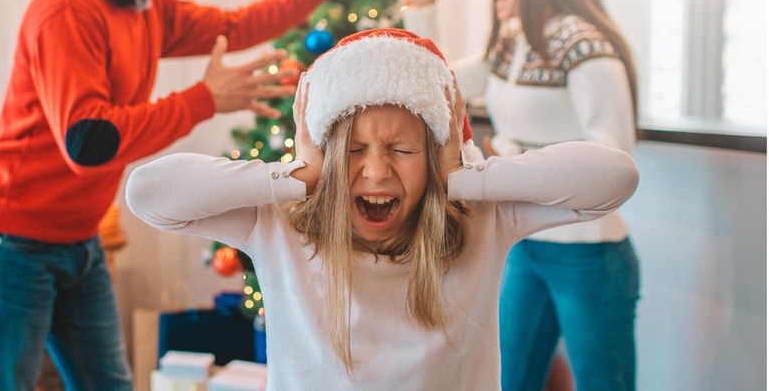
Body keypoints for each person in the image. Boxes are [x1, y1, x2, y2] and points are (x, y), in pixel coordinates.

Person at [0, 0, 390, 390]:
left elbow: (237, 25)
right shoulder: (67, 10)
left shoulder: (147, 10)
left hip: (77, 237)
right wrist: (205, 99)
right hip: (11, 238)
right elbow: (88, 141)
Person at [125, 28, 639, 390]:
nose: (375, 172)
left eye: (403, 150)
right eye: (352, 151)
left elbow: (614, 178)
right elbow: (147, 192)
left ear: (435, 151)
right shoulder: (279, 221)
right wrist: (297, 175)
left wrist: (463, 176)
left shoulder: (484, 216)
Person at [393, 0, 640, 390]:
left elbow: (616, 162)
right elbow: (435, 82)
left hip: (589, 254)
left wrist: (512, 156)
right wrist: (421, 10)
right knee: (507, 380)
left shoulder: (586, 46)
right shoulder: (514, 42)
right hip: (525, 244)